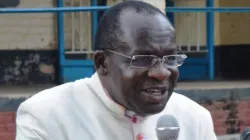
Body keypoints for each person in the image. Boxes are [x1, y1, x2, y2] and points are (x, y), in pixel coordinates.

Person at [15, 1, 217, 140]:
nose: (162, 73)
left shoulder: (195, 118)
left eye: (170, 59)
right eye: (143, 59)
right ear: (102, 62)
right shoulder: (46, 115)